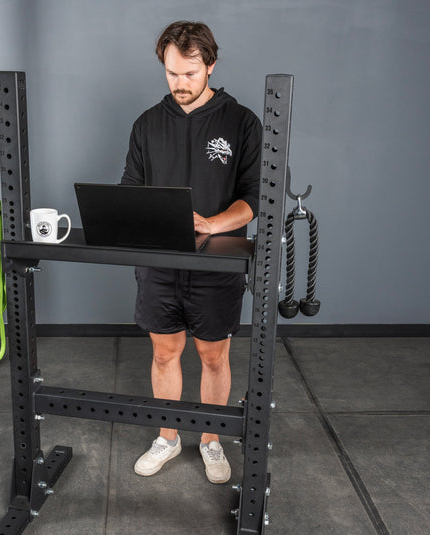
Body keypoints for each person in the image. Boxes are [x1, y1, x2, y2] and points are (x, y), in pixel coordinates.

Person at [120, 21, 262, 483]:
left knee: (214, 356)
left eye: (190, 74)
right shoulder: (147, 123)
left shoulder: (241, 123)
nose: (180, 84)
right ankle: (168, 436)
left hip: (216, 262)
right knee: (165, 354)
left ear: (211, 65)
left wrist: (211, 222)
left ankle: (212, 439)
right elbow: (130, 190)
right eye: (171, 74)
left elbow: (254, 198)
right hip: (160, 263)